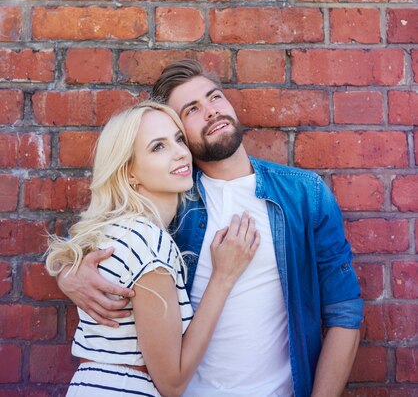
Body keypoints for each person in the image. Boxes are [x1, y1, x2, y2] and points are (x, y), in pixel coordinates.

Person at [57, 60, 364, 397]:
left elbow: (344, 312)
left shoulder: (305, 195)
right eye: (191, 110)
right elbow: (91, 239)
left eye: (214, 97)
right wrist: (68, 274)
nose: (211, 112)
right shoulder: (170, 197)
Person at [47, 100, 259, 397]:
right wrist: (223, 277)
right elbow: (172, 383)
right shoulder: (147, 241)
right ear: (129, 172)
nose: (180, 153)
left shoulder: (119, 233)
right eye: (158, 147)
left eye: (178, 139)